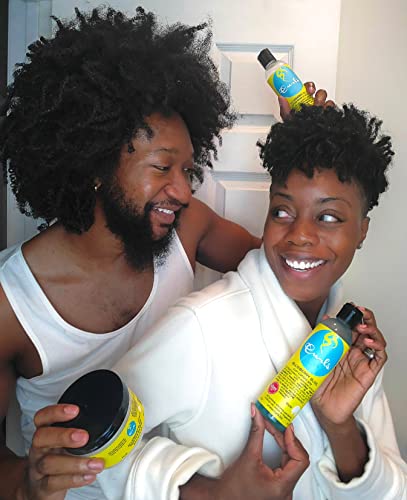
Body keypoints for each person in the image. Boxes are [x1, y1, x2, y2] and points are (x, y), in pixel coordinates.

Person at [0, 5, 333, 500]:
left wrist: (306, 152)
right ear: (95, 165)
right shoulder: (12, 304)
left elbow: (289, 278)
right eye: (162, 168)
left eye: (187, 171)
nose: (181, 191)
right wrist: (30, 483)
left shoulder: (187, 226)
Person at [97, 104, 407, 499]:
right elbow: (95, 447)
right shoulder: (202, 325)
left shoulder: (352, 343)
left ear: (362, 231)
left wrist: (339, 426)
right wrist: (213, 494)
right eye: (282, 211)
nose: (299, 235)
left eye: (328, 217)